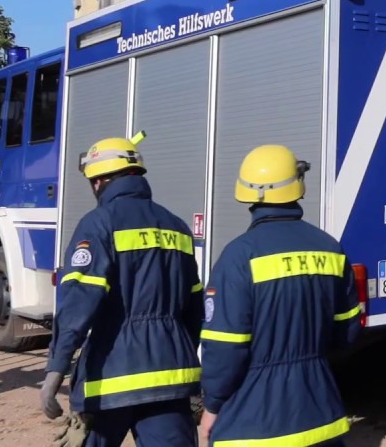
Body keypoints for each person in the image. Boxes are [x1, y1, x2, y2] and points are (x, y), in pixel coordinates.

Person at [39, 135, 203, 447]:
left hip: (109, 381)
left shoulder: (99, 224)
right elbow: (195, 310)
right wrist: (177, 352)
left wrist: (56, 369)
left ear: (99, 181)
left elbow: (78, 305)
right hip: (171, 380)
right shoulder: (177, 227)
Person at [198, 144, 362, 447]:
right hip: (321, 417)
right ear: (298, 185)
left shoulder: (238, 257)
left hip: (253, 427)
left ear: (247, 192)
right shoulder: (330, 248)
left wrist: (212, 406)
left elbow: (225, 348)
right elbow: (347, 333)